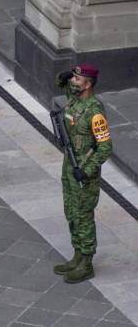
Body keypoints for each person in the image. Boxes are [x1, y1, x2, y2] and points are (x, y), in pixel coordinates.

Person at [52, 64, 111, 284]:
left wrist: (85, 171)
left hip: (83, 174)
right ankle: (77, 255)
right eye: (74, 78)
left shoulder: (95, 113)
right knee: (71, 212)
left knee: (83, 216)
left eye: (77, 79)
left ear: (88, 85)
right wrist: (65, 75)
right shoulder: (75, 98)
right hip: (69, 166)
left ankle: (86, 263)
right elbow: (60, 82)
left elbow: (105, 148)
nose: (73, 81)